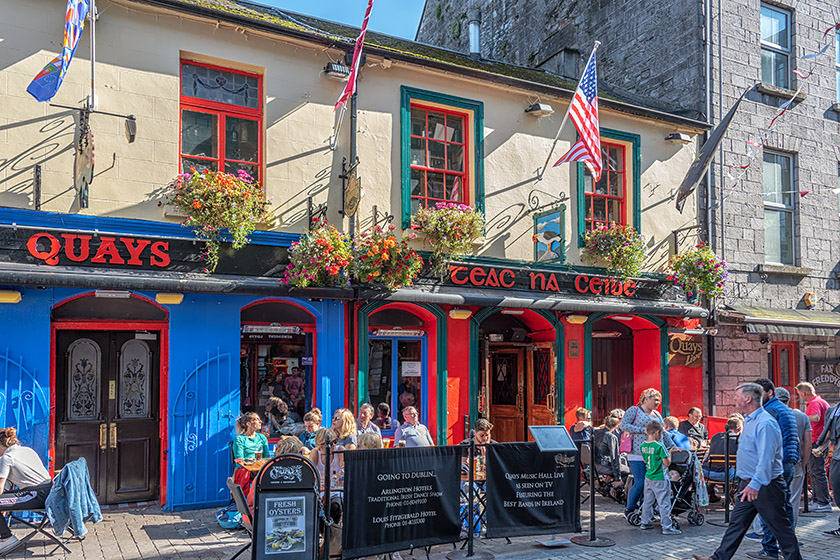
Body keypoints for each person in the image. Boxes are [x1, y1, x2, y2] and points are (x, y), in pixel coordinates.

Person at [692, 383, 801, 560]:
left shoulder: (765, 423)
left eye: (737, 395)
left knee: (780, 527)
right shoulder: (750, 420)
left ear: (748, 399)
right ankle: (717, 558)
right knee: (737, 524)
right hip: (749, 482)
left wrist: (755, 484)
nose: (734, 399)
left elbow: (767, 458)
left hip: (766, 484)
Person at [751, 378, 799, 560]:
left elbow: (766, 442)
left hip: (775, 466)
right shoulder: (784, 409)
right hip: (787, 463)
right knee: (784, 507)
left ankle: (770, 550)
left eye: (759, 392)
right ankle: (789, 549)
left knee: (769, 509)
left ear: (769, 392)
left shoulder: (770, 411)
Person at [620, 388, 676, 522]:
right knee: (640, 482)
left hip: (655, 454)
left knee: (651, 484)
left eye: (659, 400)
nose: (657, 402)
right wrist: (642, 430)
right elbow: (623, 425)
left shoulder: (657, 414)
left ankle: (645, 510)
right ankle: (629, 509)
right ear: (646, 398)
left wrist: (673, 445)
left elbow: (663, 433)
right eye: (654, 399)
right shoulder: (635, 410)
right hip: (638, 453)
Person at [0, 427, 52, 554]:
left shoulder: (7, 458)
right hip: (49, 492)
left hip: (36, 495)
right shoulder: (27, 450)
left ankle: (7, 538)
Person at [772, 387, 810, 531]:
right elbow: (807, 443)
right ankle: (789, 531)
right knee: (793, 500)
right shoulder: (801, 416)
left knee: (771, 499)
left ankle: (764, 532)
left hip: (776, 462)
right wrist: (804, 463)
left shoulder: (769, 413)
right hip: (795, 462)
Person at [795, 381, 833, 513]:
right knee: (816, 471)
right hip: (820, 440)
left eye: (800, 395)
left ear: (805, 393)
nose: (801, 397)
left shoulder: (814, 403)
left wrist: (800, 417)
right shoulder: (821, 401)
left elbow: (816, 417)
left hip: (816, 440)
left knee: (816, 472)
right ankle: (818, 500)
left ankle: (822, 502)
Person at [639, 421, 681, 535]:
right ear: (658, 432)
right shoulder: (660, 446)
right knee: (664, 502)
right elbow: (667, 463)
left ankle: (644, 522)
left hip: (648, 476)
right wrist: (670, 453)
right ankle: (667, 526)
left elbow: (644, 460)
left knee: (647, 501)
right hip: (660, 477)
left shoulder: (643, 445)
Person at [813, 395, 840, 536]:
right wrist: (821, 448)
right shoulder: (833, 411)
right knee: (837, 488)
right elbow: (828, 433)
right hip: (837, 456)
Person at [702, 415, 742, 501]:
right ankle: (736, 498)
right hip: (724, 474)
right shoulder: (737, 440)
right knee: (744, 474)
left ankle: (712, 494)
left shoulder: (715, 437)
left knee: (722, 467)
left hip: (707, 473)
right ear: (739, 429)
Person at [592, 415, 627, 491]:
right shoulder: (611, 437)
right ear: (617, 425)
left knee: (620, 463)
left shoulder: (595, 432)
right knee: (627, 471)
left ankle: (606, 486)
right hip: (602, 466)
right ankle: (617, 490)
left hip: (594, 465)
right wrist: (618, 478)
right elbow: (615, 458)